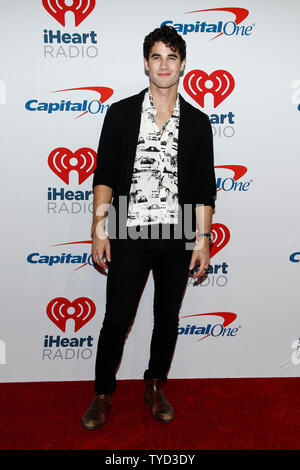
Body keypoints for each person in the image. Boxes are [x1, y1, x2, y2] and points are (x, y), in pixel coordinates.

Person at [82, 25, 216, 430]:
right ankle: (103, 392)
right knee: (116, 319)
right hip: (128, 231)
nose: (164, 64)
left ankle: (155, 386)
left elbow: (206, 189)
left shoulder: (197, 122)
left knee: (167, 318)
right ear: (146, 63)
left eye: (171, 57)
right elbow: (104, 174)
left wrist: (203, 240)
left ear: (183, 65)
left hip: (176, 236)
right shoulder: (121, 113)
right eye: (156, 56)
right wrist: (99, 229)